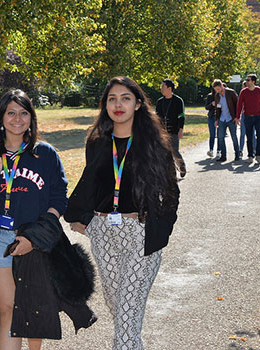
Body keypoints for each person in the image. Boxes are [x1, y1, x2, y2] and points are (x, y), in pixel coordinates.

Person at [65, 76, 180, 350]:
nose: (118, 104)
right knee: (121, 311)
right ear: (104, 105)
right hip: (103, 233)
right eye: (112, 99)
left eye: (125, 98)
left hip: (140, 234)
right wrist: (86, 220)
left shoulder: (153, 144)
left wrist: (158, 231)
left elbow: (171, 194)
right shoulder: (96, 142)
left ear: (138, 104)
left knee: (127, 316)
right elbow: (91, 182)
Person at [0, 89, 76, 350]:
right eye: (11, 113)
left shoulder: (46, 154)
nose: (17, 118)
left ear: (32, 118)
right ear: (1, 118)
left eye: (23, 113)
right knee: (10, 310)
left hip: (35, 238)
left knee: (33, 308)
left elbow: (58, 198)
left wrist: (39, 234)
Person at [236, 74, 260, 164]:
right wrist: (238, 117)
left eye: (248, 80)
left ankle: (258, 155)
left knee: (259, 136)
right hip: (247, 117)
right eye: (246, 80)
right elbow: (239, 105)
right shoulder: (243, 92)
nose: (246, 81)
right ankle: (250, 156)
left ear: (253, 81)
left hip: (258, 117)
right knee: (249, 137)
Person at [156, 78, 186, 177]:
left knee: (174, 151)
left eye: (163, 86)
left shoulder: (178, 101)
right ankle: (170, 173)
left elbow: (181, 116)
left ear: (169, 88)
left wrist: (181, 130)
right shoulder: (160, 102)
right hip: (163, 132)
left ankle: (182, 167)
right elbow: (157, 117)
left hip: (174, 130)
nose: (161, 88)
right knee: (164, 153)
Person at [213, 79, 240, 162]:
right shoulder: (217, 96)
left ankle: (237, 155)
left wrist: (237, 117)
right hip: (222, 119)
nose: (217, 91)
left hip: (231, 118)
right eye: (215, 90)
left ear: (221, 86)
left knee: (234, 137)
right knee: (220, 138)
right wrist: (216, 119)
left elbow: (238, 104)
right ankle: (223, 156)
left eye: (218, 89)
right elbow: (217, 108)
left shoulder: (231, 92)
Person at [205, 86, 220, 158]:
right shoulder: (210, 96)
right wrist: (212, 104)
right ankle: (211, 150)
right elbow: (206, 107)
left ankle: (218, 151)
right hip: (211, 117)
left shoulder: (222, 95)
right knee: (212, 134)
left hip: (220, 118)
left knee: (220, 135)